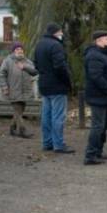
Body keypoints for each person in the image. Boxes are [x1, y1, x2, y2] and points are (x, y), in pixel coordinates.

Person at [34, 23, 74, 153]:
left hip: (44, 83)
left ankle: (47, 142)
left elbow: (36, 64)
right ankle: (58, 144)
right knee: (58, 116)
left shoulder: (40, 44)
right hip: (57, 85)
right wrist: (67, 81)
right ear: (56, 32)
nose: (62, 34)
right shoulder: (56, 45)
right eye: (61, 32)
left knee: (46, 115)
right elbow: (60, 66)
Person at [83, 30, 107, 165]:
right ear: (98, 40)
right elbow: (96, 76)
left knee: (105, 123)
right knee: (98, 126)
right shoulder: (94, 56)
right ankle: (90, 154)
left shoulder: (104, 54)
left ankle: (98, 150)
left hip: (105, 97)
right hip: (98, 96)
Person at [0, 42, 38, 139]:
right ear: (13, 51)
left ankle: (12, 127)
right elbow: (1, 74)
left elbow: (34, 71)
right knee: (17, 110)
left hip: (25, 90)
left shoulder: (27, 61)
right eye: (17, 49)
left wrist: (25, 67)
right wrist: (4, 87)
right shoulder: (8, 61)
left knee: (20, 110)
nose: (19, 51)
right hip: (13, 90)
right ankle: (22, 130)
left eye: (21, 49)